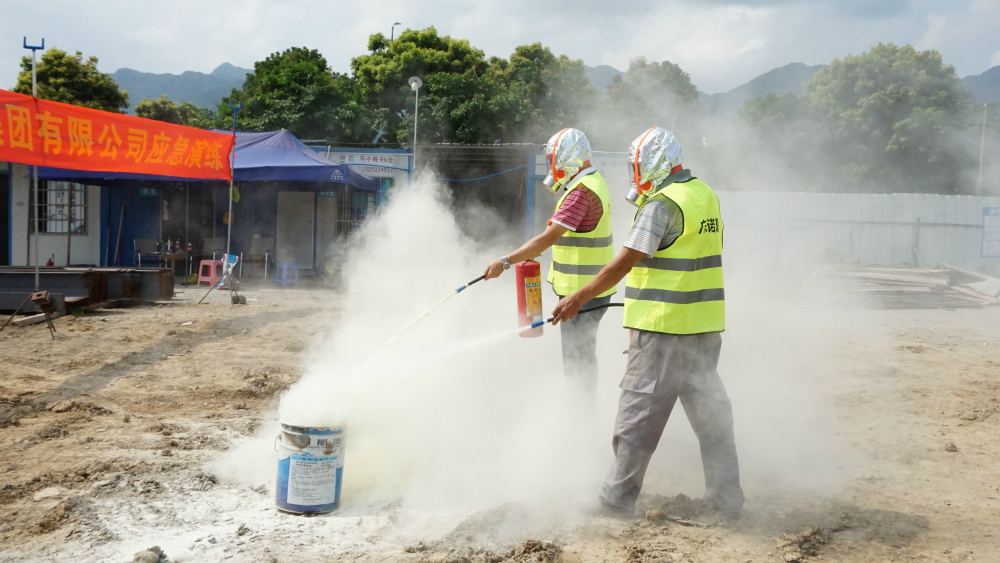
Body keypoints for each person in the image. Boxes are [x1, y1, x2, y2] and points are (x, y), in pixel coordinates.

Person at [550, 126, 743, 518]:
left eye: (635, 165)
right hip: (702, 328)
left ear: (652, 163)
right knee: (712, 415)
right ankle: (727, 499)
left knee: (638, 415)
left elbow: (623, 262)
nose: (633, 173)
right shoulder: (705, 195)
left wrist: (577, 298)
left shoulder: (661, 205)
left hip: (663, 330)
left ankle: (615, 499)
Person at [483, 128, 615, 401]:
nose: (550, 165)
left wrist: (505, 262)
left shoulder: (580, 193)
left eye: (552, 159)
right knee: (581, 355)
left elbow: (549, 237)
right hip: (591, 290)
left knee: (578, 360)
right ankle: (580, 413)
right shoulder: (594, 181)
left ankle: (580, 420)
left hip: (581, 294)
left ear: (566, 158)